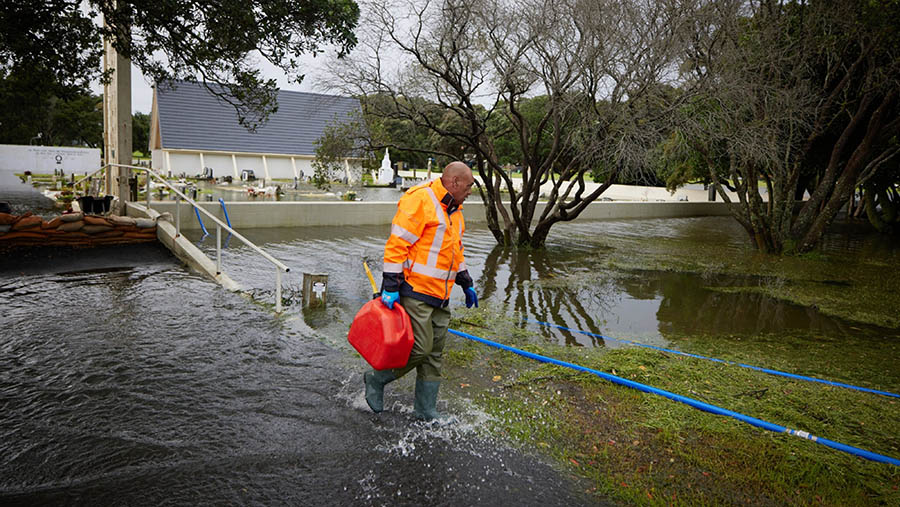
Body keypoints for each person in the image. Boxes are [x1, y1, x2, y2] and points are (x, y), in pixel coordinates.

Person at [364, 161, 479, 421]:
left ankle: (425, 410)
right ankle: (376, 379)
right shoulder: (420, 200)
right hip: (414, 290)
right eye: (469, 186)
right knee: (420, 349)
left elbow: (454, 251)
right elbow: (397, 246)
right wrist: (391, 287)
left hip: (441, 295)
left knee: (434, 356)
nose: (471, 191)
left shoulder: (455, 210)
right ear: (455, 182)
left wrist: (465, 281)